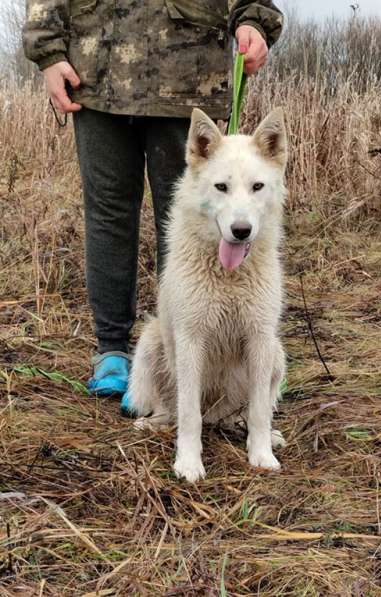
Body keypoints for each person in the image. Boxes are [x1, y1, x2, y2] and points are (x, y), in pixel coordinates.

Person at [22, 0, 283, 407]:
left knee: (188, 219)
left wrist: (255, 20)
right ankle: (112, 350)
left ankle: (190, 362)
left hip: (189, 69)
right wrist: (48, 52)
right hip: (95, 68)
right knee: (107, 215)